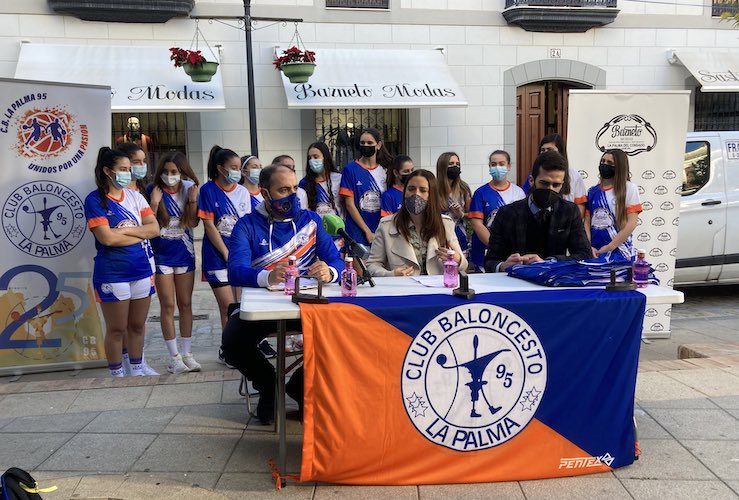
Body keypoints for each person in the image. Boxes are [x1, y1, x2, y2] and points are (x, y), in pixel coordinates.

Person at [222, 164, 344, 424]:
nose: (292, 194)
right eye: (283, 190)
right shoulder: (246, 225)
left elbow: (337, 261)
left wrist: (330, 271)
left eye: (294, 188)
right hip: (264, 308)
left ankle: (299, 386)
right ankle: (269, 384)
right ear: (265, 194)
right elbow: (235, 271)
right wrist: (267, 276)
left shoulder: (311, 220)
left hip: (308, 306)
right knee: (232, 342)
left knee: (341, 335)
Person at [84, 147, 160, 377]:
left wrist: (124, 234)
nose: (128, 173)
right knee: (117, 328)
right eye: (123, 169)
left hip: (141, 270)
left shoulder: (136, 196)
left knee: (137, 325)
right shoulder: (95, 200)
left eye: (129, 169)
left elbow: (155, 229)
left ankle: (137, 367)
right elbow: (106, 238)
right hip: (112, 273)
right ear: (107, 171)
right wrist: (139, 233)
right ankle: (116, 372)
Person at [484, 150, 591, 273]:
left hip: (553, 284)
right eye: (544, 183)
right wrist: (503, 266)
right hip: (515, 284)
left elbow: (584, 254)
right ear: (531, 180)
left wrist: (550, 262)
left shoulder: (569, 212)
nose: (550, 189)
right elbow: (490, 262)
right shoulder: (507, 214)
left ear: (562, 184)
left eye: (556, 185)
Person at [148, 152, 202, 373]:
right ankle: (174, 357)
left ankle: (188, 353)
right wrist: (153, 203)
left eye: (174, 172)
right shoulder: (153, 190)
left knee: (186, 304)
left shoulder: (190, 188)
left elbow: (194, 222)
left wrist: (192, 200)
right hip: (161, 255)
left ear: (182, 172)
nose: (170, 176)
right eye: (166, 171)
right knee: (167, 305)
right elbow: (147, 223)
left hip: (184, 253)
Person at [368, 170, 467, 277]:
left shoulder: (445, 223)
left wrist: (456, 259)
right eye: (411, 189)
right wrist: (391, 274)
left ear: (431, 195)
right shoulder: (386, 226)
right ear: (404, 192)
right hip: (404, 290)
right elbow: (372, 265)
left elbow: (463, 265)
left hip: (437, 290)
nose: (416, 194)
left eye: (423, 190)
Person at [197, 145, 251, 331]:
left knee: (242, 305)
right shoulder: (207, 190)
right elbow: (209, 225)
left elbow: (247, 224)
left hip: (240, 255)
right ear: (221, 169)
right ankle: (227, 349)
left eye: (239, 168)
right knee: (227, 306)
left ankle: (241, 346)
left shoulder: (243, 192)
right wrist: (226, 253)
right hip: (216, 256)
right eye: (233, 168)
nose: (237, 172)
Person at [468, 150, 526, 272]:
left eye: (501, 163)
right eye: (493, 164)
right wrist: (495, 246)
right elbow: (477, 224)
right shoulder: (481, 193)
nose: (497, 167)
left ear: (509, 166)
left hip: (512, 252)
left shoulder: (519, 193)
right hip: (484, 252)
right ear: (489, 167)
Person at [584, 148, 642, 260]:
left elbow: (632, 222)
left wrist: (612, 245)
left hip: (620, 251)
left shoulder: (629, 188)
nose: (605, 164)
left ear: (619, 167)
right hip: (595, 252)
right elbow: (587, 222)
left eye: (610, 163)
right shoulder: (592, 191)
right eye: (603, 161)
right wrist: (589, 246)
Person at [339, 127, 393, 245]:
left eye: (369, 143)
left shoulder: (386, 170)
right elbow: (349, 204)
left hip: (382, 230)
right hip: (357, 232)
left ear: (378, 145)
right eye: (362, 143)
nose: (366, 146)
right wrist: (367, 231)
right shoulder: (350, 169)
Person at [523, 134, 587, 216]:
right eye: (543, 150)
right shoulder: (535, 174)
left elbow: (580, 206)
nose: (545, 153)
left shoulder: (574, 175)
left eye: (550, 150)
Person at [436, 151, 472, 256]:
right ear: (443, 167)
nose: (455, 167)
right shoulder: (433, 189)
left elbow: (471, 214)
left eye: (457, 164)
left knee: (461, 265)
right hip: (440, 235)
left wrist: (460, 214)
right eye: (451, 164)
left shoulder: (464, 189)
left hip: (460, 234)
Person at [299, 142, 342, 216]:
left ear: (325, 157)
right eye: (310, 158)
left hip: (339, 225)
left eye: (316, 157)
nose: (312, 160)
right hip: (316, 226)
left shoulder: (339, 179)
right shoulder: (304, 183)